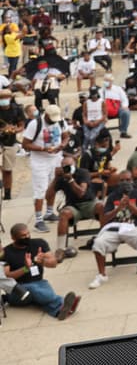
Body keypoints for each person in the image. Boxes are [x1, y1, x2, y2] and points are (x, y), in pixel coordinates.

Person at [3, 223, 80, 320]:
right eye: (23, 236)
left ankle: (59, 312)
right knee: (34, 289)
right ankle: (63, 302)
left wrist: (43, 261)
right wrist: (26, 268)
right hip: (17, 290)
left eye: (28, 234)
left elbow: (53, 263)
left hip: (40, 283)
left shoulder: (39, 243)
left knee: (40, 295)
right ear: (13, 238)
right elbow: (7, 277)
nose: (27, 237)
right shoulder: (6, 252)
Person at [88, 179, 137, 288]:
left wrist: (129, 205)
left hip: (132, 226)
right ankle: (101, 275)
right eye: (123, 180)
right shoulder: (113, 196)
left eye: (128, 179)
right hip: (114, 228)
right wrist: (118, 208)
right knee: (98, 243)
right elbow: (105, 217)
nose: (126, 183)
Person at [23, 104, 68, 232]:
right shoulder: (34, 124)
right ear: (46, 115)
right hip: (40, 161)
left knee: (53, 186)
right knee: (40, 190)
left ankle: (49, 212)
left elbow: (66, 136)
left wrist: (61, 146)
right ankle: (38, 220)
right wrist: (42, 148)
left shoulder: (60, 121)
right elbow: (25, 144)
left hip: (56, 159)